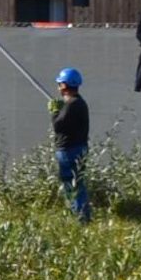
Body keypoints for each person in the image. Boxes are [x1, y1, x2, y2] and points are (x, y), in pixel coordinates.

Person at [50, 66, 94, 223]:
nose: (58, 87)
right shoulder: (79, 103)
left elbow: (58, 126)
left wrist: (55, 112)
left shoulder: (71, 105)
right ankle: (83, 216)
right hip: (79, 148)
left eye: (59, 84)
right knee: (78, 183)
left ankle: (79, 218)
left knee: (71, 184)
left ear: (64, 85)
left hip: (69, 151)